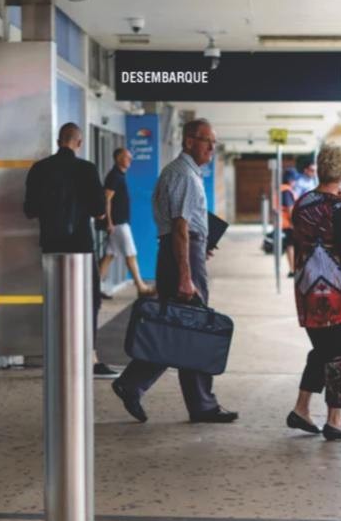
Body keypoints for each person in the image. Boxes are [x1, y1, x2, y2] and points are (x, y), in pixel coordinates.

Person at [111, 118, 238, 424]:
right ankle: (201, 405)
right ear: (189, 141)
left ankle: (134, 384)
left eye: (214, 142)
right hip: (182, 254)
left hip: (182, 251)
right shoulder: (182, 174)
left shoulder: (184, 173)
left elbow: (184, 227)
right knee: (194, 328)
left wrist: (202, 242)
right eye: (207, 140)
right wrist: (186, 274)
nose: (212, 147)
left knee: (176, 328)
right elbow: (180, 227)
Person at [287, 144, 341, 441]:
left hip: (306, 290)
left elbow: (296, 245)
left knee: (323, 351)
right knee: (339, 354)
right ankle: (335, 420)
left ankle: (301, 410)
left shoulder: (302, 203)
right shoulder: (340, 208)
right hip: (334, 294)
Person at [23, 122, 119, 379]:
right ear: (79, 143)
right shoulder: (86, 169)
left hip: (51, 245)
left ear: (58, 141)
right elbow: (99, 210)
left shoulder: (39, 169)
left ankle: (56, 356)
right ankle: (89, 356)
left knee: (55, 299)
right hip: (80, 246)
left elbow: (29, 210)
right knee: (89, 299)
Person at [98, 148, 155, 296]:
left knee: (109, 255)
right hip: (118, 224)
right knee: (131, 254)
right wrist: (109, 222)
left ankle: (94, 287)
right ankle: (141, 287)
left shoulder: (119, 175)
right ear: (118, 158)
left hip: (119, 223)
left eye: (130, 157)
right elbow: (107, 200)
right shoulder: (114, 176)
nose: (130, 160)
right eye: (126, 157)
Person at [280, 168, 299, 278]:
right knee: (291, 246)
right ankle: (293, 269)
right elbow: (290, 208)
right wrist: (295, 222)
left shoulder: (282, 189)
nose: (295, 182)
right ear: (290, 179)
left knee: (289, 246)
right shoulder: (286, 191)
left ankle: (292, 269)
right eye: (294, 179)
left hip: (284, 223)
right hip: (288, 223)